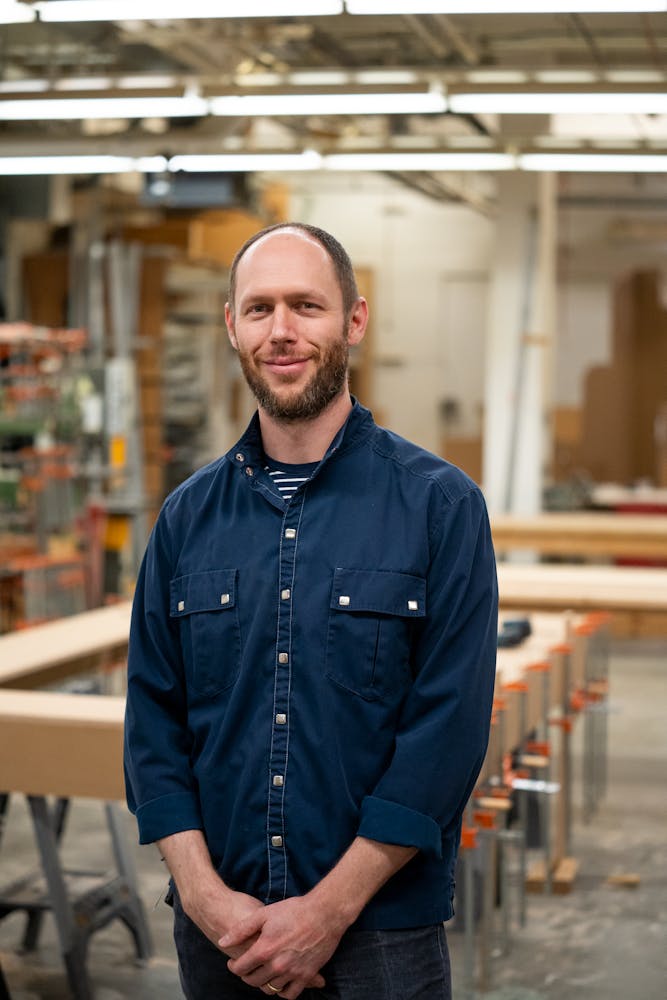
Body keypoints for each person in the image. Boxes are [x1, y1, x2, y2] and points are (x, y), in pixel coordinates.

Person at [124, 222, 498, 1000]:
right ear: (231, 325)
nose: (281, 332)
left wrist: (328, 910)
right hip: (221, 935)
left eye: (306, 306)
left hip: (379, 937)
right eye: (258, 310)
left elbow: (447, 732)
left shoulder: (439, 507)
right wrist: (201, 894)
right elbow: (153, 725)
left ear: (353, 321)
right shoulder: (186, 518)